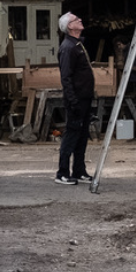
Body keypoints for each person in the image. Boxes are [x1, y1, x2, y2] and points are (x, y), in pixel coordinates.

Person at [55, 12, 95, 185]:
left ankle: (79, 170)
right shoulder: (68, 47)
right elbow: (66, 77)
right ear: (70, 27)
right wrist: (73, 101)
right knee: (71, 135)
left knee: (82, 136)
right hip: (76, 99)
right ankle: (62, 172)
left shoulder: (77, 44)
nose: (80, 20)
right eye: (75, 19)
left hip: (84, 98)